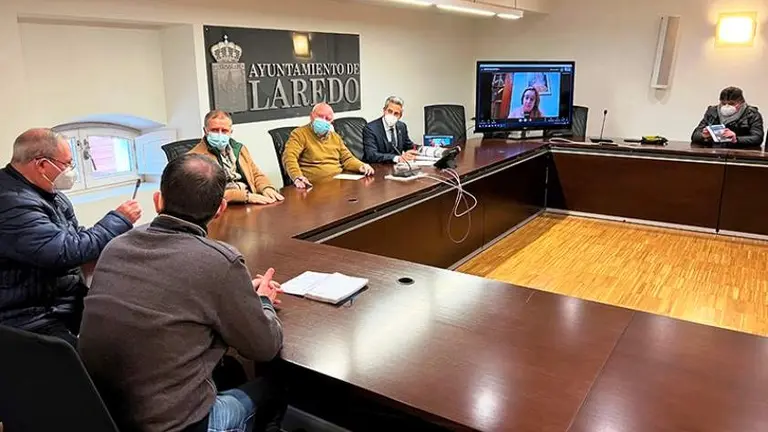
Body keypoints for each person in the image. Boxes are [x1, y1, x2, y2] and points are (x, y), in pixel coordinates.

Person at [78, 154, 285, 432]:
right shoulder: (220, 261)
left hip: (104, 414)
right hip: (174, 425)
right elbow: (265, 346)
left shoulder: (115, 246)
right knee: (278, 384)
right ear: (220, 209)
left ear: (157, 200)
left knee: (230, 371)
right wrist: (262, 301)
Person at [0, 128, 141, 346]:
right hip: (30, 316)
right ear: (41, 165)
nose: (71, 170)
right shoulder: (12, 203)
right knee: (88, 364)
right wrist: (119, 220)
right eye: (66, 164)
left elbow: (73, 235)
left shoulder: (48, 192)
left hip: (61, 298)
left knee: (125, 323)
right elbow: (63, 250)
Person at [189, 110, 284, 204]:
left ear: (231, 132)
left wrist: (266, 187)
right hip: (223, 207)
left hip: (249, 202)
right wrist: (245, 196)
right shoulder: (194, 158)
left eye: (224, 131)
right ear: (205, 131)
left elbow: (256, 174)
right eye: (214, 130)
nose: (220, 134)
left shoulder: (240, 149)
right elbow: (204, 194)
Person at [282, 103, 374, 189]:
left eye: (327, 119)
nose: (323, 120)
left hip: (338, 183)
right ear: (311, 116)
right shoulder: (299, 134)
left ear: (331, 121)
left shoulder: (335, 137)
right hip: (314, 186)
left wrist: (361, 166)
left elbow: (347, 159)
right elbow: (289, 157)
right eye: (320, 116)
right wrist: (297, 176)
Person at [691, 86, 765, 148]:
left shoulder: (752, 114)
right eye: (723, 103)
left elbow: (757, 138)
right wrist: (703, 136)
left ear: (741, 102)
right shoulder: (712, 112)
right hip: (714, 151)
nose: (727, 106)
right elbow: (695, 135)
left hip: (739, 153)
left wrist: (736, 139)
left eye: (731, 103)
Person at [363, 96, 418, 164]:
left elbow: (409, 146)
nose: (392, 115)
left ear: (400, 116)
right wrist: (397, 158)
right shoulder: (371, 128)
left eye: (396, 113)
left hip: (398, 168)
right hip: (378, 168)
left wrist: (415, 151)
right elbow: (371, 155)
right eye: (390, 111)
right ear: (384, 110)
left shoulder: (402, 126)